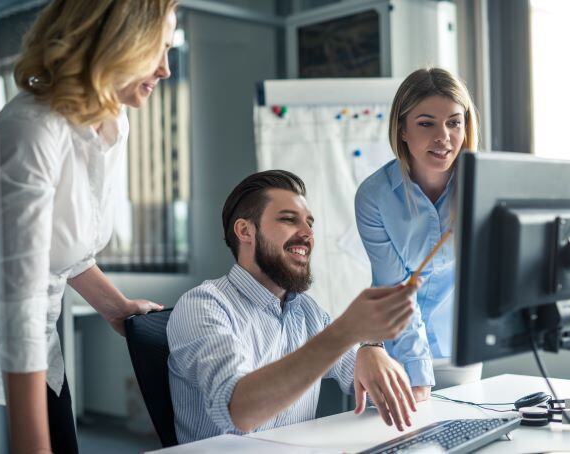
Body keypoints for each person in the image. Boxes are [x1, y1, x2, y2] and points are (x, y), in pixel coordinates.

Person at [0, 1, 178, 452]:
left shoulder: (110, 126)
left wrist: (117, 307)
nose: (166, 69)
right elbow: (20, 298)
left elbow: (65, 248)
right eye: (157, 49)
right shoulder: (31, 131)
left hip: (38, 351)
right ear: (116, 42)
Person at [167, 170, 421, 444]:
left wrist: (371, 348)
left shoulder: (308, 312)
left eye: (309, 223)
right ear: (245, 231)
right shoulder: (203, 305)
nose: (307, 234)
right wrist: (345, 333)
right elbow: (239, 411)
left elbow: (375, 390)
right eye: (289, 220)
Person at [354, 67, 483, 401]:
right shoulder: (375, 196)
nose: (443, 136)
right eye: (426, 123)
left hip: (461, 351)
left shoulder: (482, 188)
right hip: (397, 353)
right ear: (403, 130)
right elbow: (394, 289)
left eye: (454, 122)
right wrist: (417, 374)